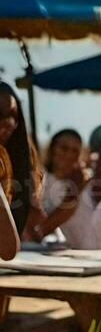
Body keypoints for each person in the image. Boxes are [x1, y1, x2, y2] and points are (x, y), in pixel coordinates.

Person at [0, 84, 35, 258]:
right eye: (0, 114)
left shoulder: (19, 161)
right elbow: (7, 249)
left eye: (14, 115)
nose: (9, 123)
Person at [32, 129, 86, 242]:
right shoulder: (38, 179)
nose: (69, 155)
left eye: (75, 150)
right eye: (64, 148)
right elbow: (39, 228)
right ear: (52, 149)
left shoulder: (88, 183)